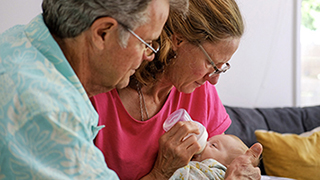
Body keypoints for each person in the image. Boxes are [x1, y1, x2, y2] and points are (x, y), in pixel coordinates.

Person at [0, 0, 189, 179]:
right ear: (103, 33)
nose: (149, 57)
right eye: (146, 43)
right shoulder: (51, 113)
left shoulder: (18, 40)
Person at [91, 0, 262, 179]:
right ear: (178, 39)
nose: (213, 80)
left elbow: (219, 167)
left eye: (221, 68)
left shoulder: (201, 93)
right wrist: (161, 173)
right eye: (211, 64)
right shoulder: (98, 89)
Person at [170, 134, 250, 180]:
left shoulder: (217, 172)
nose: (205, 143)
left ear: (228, 166)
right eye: (208, 140)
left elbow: (179, 173)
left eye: (213, 145)